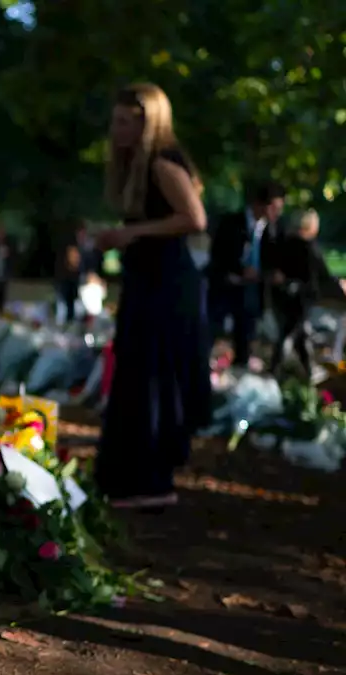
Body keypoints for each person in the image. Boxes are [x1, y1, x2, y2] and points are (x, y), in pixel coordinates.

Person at [93, 83, 210, 510]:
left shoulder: (162, 163)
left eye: (126, 121)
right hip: (149, 283)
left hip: (167, 287)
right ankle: (133, 479)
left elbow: (195, 218)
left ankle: (150, 481)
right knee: (137, 376)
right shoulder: (140, 169)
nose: (117, 129)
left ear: (149, 122)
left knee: (153, 379)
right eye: (116, 119)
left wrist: (131, 233)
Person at [207, 181, 285, 369]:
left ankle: (240, 368)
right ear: (260, 204)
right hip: (226, 286)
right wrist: (239, 270)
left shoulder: (273, 230)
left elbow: (274, 258)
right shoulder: (231, 223)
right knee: (212, 330)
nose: (277, 213)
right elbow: (218, 254)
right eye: (274, 207)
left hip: (251, 289)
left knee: (246, 333)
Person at [271, 209, 339, 377]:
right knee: (290, 333)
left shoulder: (283, 243)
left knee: (298, 333)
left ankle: (308, 369)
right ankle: (274, 370)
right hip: (302, 297)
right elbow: (323, 277)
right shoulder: (310, 248)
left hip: (283, 296)